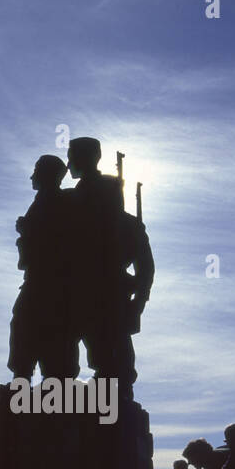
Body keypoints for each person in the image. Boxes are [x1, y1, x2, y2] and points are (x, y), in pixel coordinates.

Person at [67, 136, 154, 399]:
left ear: (87, 158)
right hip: (74, 290)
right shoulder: (68, 205)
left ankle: (115, 392)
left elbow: (145, 268)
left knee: (113, 354)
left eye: (73, 155)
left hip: (103, 293)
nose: (69, 162)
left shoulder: (121, 222)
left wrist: (139, 300)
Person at [4, 154, 78, 384]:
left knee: (45, 329)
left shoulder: (60, 201)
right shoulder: (45, 200)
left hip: (51, 281)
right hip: (38, 278)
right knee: (23, 325)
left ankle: (49, 382)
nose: (32, 176)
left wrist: (28, 230)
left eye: (36, 170)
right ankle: (22, 380)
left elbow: (59, 241)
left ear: (47, 174)